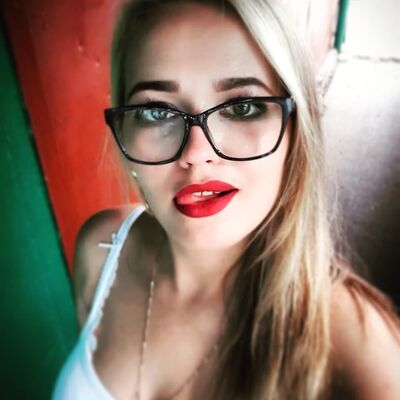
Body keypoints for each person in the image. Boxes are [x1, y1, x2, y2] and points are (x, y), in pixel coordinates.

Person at [53, 0, 400, 399]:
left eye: (241, 107)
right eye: (156, 112)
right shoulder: (100, 251)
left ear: (295, 128)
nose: (196, 153)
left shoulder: (359, 352)